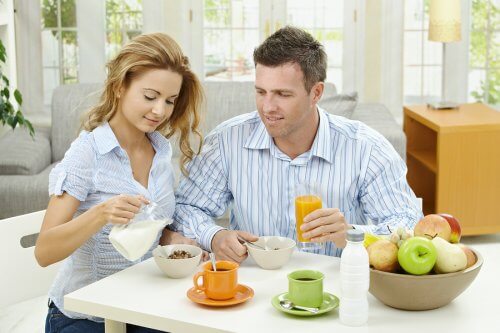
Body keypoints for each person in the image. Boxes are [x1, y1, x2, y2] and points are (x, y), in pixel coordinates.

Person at [170, 26, 422, 263]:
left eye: (283, 94)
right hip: (253, 289)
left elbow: (408, 224)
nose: (268, 107)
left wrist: (352, 234)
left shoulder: (365, 148)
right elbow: (185, 208)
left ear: (316, 93)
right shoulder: (228, 141)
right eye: (261, 92)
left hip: (335, 287)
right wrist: (213, 236)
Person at [35, 33, 203, 333]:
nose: (160, 111)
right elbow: (44, 251)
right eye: (150, 97)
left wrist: (171, 239)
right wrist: (100, 214)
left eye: (169, 101)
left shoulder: (161, 152)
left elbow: (151, 224)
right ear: (119, 87)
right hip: (82, 317)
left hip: (140, 309)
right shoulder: (87, 154)